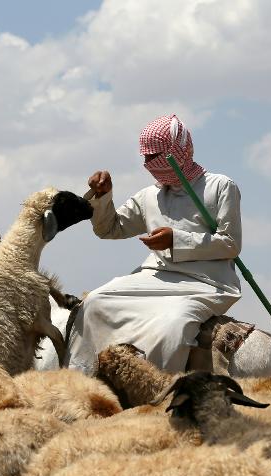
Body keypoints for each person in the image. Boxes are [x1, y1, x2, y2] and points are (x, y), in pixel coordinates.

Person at [63, 114, 243, 375]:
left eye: (154, 157)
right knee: (95, 302)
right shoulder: (150, 195)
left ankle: (157, 390)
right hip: (153, 278)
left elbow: (230, 244)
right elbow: (110, 228)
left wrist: (176, 239)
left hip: (206, 283)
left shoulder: (220, 186)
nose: (148, 164)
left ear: (177, 152)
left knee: (173, 328)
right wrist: (103, 197)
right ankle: (80, 378)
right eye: (145, 158)